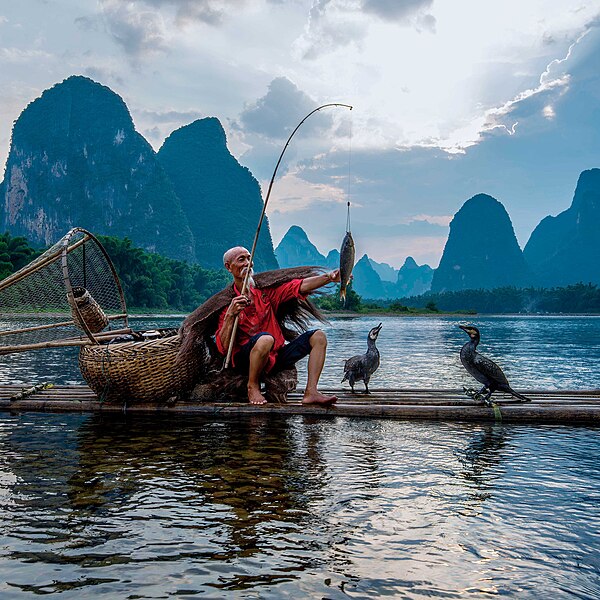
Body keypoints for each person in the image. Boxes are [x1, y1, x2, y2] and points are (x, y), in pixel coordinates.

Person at [215, 246, 339, 406]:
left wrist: (328, 277)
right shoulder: (226, 303)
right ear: (228, 267)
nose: (248, 263)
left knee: (318, 337)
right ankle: (253, 386)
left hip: (274, 357)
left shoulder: (265, 294)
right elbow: (223, 348)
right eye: (241, 259)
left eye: (249, 258)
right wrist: (231, 315)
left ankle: (311, 392)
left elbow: (298, 286)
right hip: (246, 361)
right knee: (266, 339)